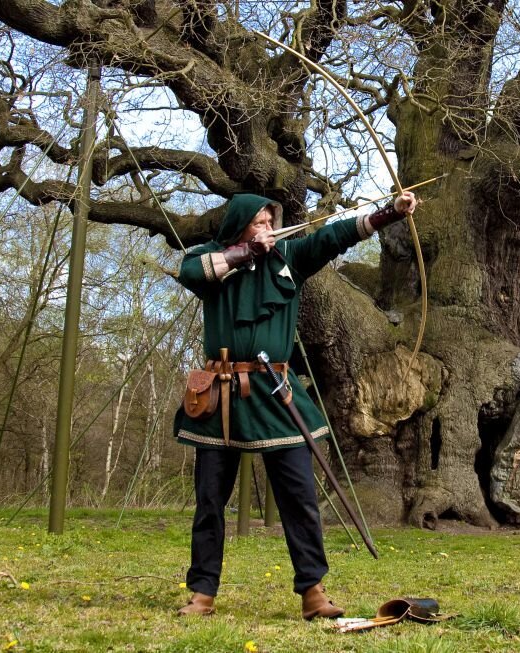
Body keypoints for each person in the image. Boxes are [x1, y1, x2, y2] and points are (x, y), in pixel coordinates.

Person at [173, 191, 416, 619]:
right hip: (221, 395)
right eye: (259, 223)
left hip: (273, 392)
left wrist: (388, 213)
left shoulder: (291, 257)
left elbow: (337, 235)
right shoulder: (212, 258)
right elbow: (190, 270)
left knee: (300, 496)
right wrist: (245, 251)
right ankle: (203, 593)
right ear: (240, 226)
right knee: (210, 500)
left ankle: (313, 592)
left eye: (271, 222)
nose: (268, 228)